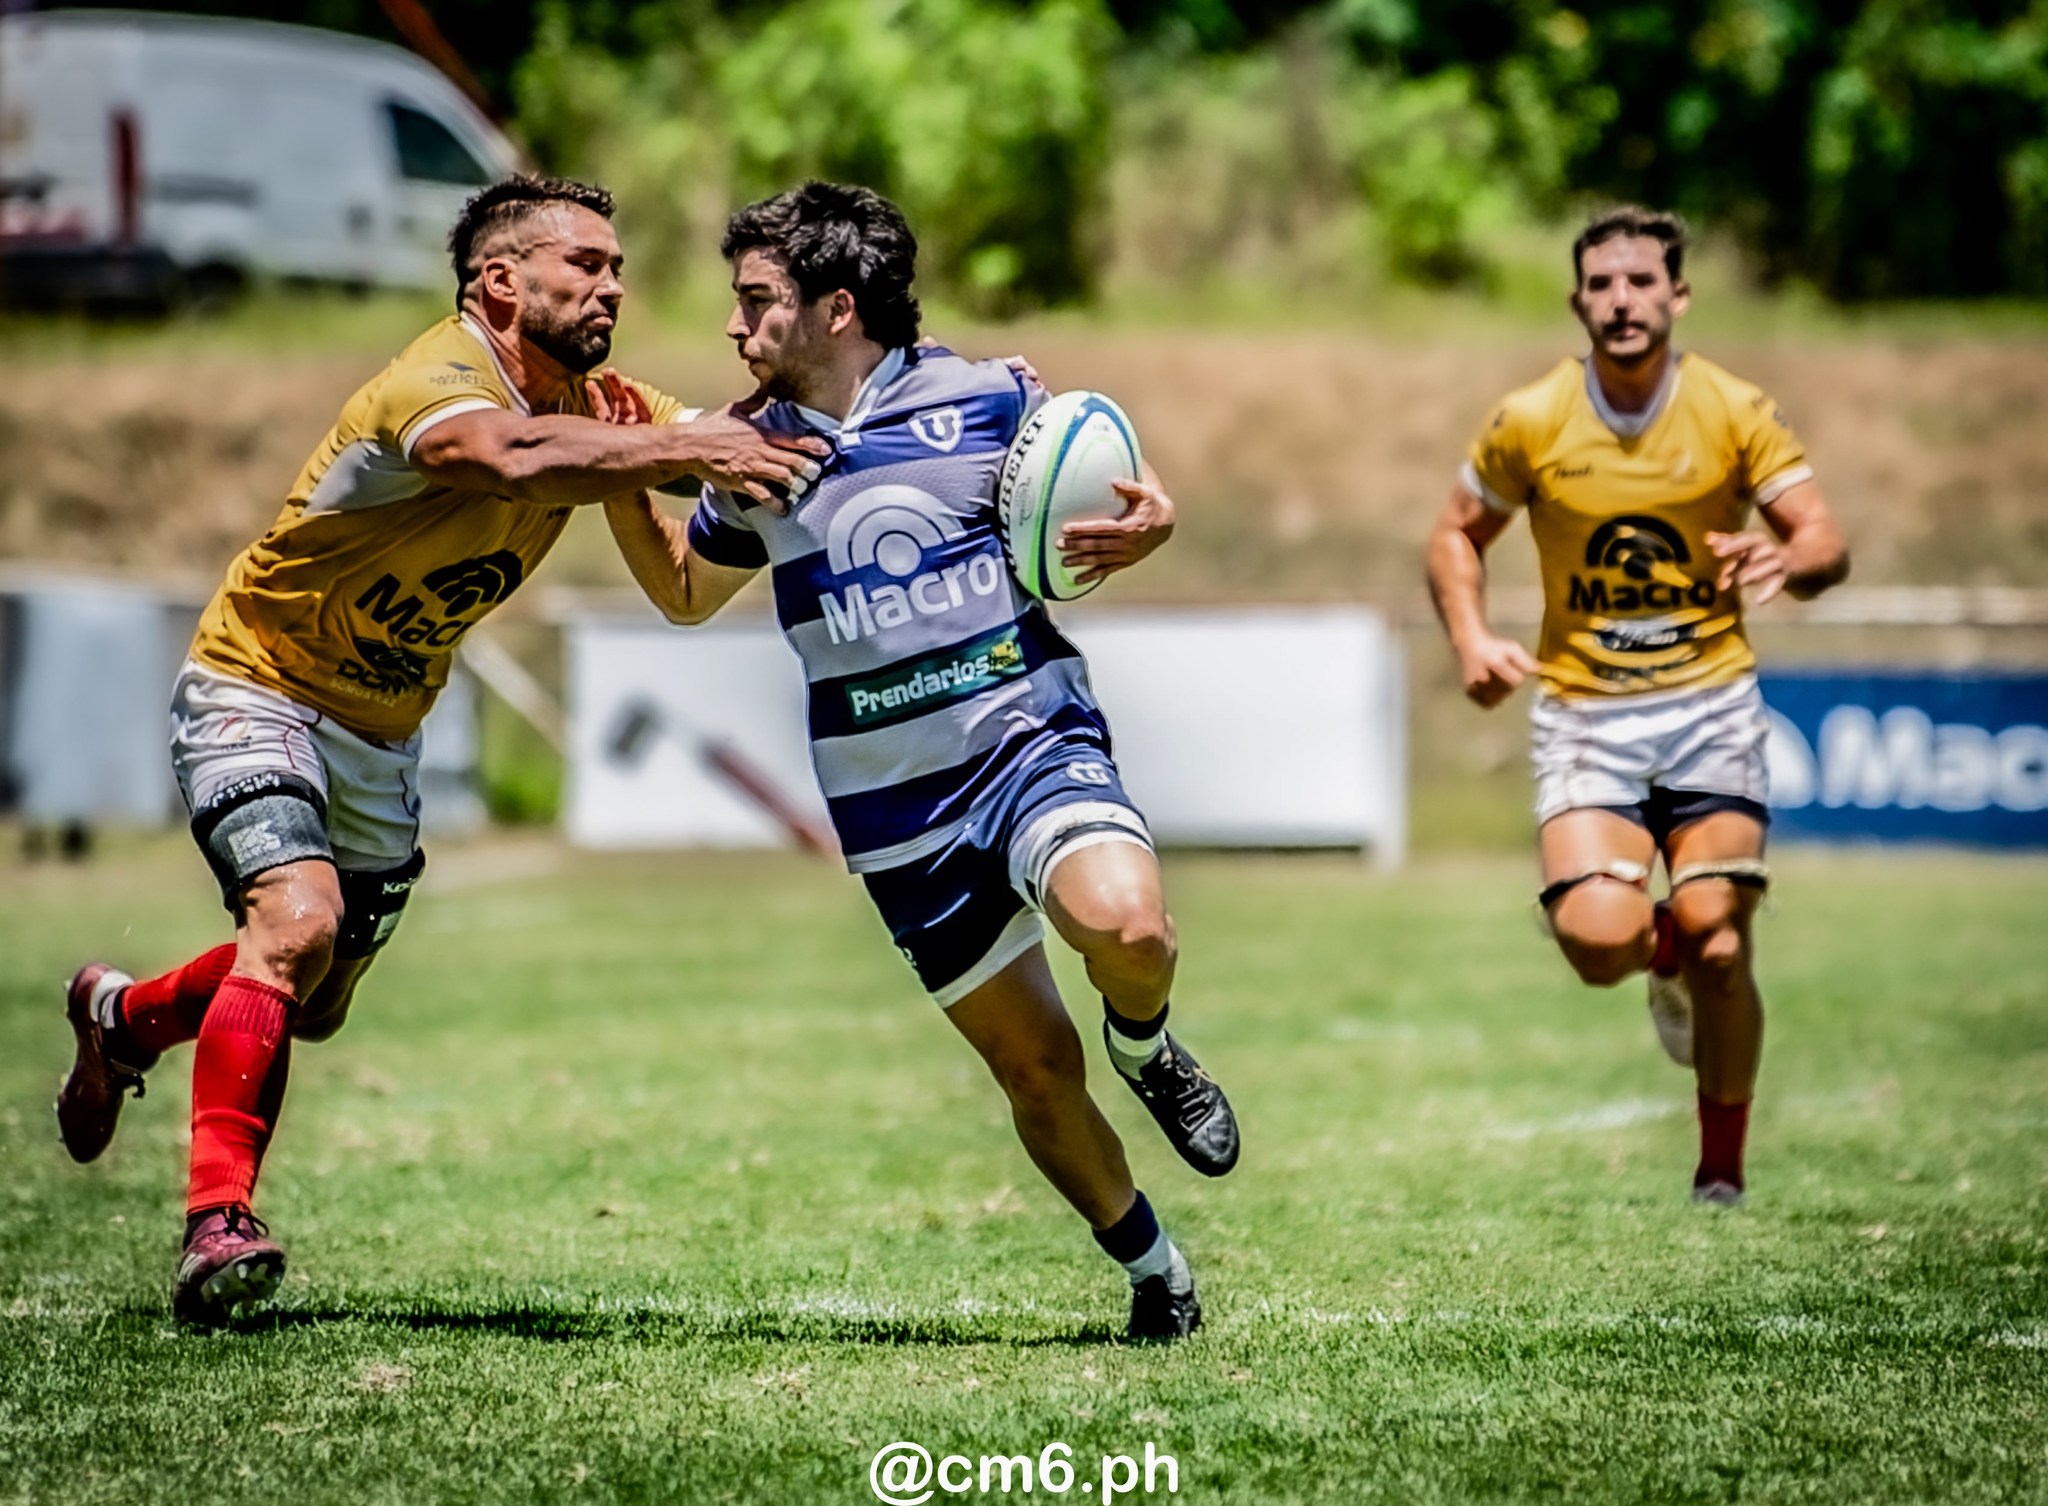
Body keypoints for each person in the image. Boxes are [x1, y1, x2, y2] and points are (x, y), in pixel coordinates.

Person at [56, 174, 828, 1325]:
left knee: (311, 1002)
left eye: (618, 268)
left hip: (380, 733)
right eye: (586, 265)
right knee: (296, 924)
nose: (613, 284)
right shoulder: (437, 380)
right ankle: (217, 1223)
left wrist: (953, 443)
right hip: (255, 684)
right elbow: (510, 459)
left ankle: (125, 1019)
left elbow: (711, 457)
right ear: (499, 282)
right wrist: (692, 449)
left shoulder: (601, 404)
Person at [601, 180, 1239, 1342]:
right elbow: (686, 592)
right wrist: (613, 477)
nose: (735, 330)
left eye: (756, 303)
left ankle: (1144, 1044)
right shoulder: (751, 445)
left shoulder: (994, 396)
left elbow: (1100, 504)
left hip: (1025, 742)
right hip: (895, 814)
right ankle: (1157, 1273)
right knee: (1035, 1072)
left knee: (1130, 928)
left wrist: (1149, 523)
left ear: (836, 307)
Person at [1425, 205, 1849, 1206]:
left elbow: (1824, 539)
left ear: (1677, 296)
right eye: (1601, 285)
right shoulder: (1529, 418)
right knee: (1595, 942)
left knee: (1719, 934)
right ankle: (1652, 957)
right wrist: (1471, 639)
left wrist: (1790, 559)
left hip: (1707, 707)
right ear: (1577, 301)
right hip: (1583, 714)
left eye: (1640, 282)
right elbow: (1453, 535)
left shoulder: (1734, 409)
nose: (1620, 300)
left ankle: (1719, 1171)